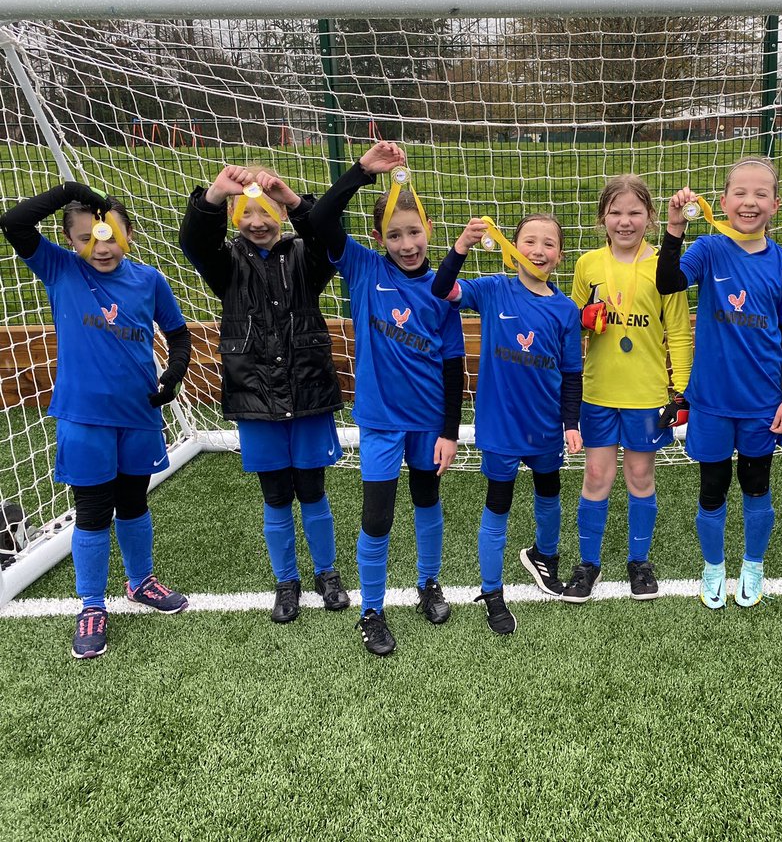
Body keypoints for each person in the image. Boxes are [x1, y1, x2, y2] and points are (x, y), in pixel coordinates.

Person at [1, 183, 192, 659]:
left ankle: (141, 581)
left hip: (139, 416)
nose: (100, 247)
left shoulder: (149, 279)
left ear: (127, 234)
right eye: (86, 237)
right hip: (84, 420)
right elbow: (13, 223)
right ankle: (91, 606)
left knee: (132, 504)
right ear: (69, 241)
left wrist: (173, 373)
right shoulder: (61, 270)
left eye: (109, 235)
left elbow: (179, 334)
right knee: (92, 513)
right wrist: (69, 191)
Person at [307, 143, 465, 656]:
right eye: (394, 235)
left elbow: (453, 367)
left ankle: (428, 584)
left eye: (414, 231)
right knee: (377, 517)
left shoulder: (445, 290)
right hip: (379, 423)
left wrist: (448, 432)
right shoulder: (364, 269)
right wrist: (360, 172)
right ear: (378, 239)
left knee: (427, 502)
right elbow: (321, 218)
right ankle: (371, 611)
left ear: (430, 231)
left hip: (427, 426)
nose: (406, 243)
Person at [179, 165, 349, 624]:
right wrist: (214, 193)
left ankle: (327, 573)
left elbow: (329, 237)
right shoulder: (225, 263)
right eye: (247, 212)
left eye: (267, 211)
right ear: (235, 216)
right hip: (255, 398)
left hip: (309, 392)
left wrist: (294, 199)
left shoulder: (305, 258)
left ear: (280, 215)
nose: (258, 221)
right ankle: (286, 580)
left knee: (312, 490)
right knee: (275, 495)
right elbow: (193, 242)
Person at [656, 156, 782, 609]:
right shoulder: (710, 249)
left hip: (762, 402)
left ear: (775, 205)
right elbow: (667, 282)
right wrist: (674, 228)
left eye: (761, 194)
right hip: (713, 402)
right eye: (740, 192)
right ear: (722, 201)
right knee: (713, 487)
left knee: (757, 486)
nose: (749, 201)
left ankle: (753, 567)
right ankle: (714, 567)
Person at [432, 213, 583, 635]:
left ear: (560, 255)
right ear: (511, 248)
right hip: (501, 429)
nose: (538, 250)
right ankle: (492, 592)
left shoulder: (565, 310)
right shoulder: (494, 290)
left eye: (548, 243)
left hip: (546, 428)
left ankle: (544, 556)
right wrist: (461, 246)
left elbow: (572, 373)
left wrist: (571, 422)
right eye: (529, 241)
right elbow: (441, 289)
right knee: (497, 505)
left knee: (549, 495)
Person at [561, 174, 693, 603]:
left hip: (646, 395)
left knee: (640, 475)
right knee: (596, 475)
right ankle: (588, 564)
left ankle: (639, 562)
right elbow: (572, 324)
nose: (625, 221)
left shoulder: (664, 265)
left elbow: (678, 331)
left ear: (651, 218)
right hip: (599, 393)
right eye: (615, 212)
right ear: (602, 218)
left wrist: (682, 390)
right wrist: (583, 317)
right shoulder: (588, 264)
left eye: (635, 212)